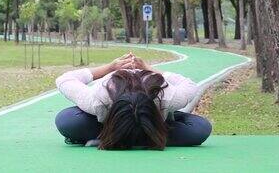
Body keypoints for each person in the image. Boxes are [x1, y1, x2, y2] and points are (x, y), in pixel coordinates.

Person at [54, 53, 212, 150]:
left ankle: (115, 139)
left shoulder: (166, 96)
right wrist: (109, 68)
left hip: (150, 127)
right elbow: (64, 79)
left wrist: (149, 68)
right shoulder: (99, 99)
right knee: (68, 121)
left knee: (200, 128)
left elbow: (190, 86)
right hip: (129, 128)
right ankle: (150, 139)